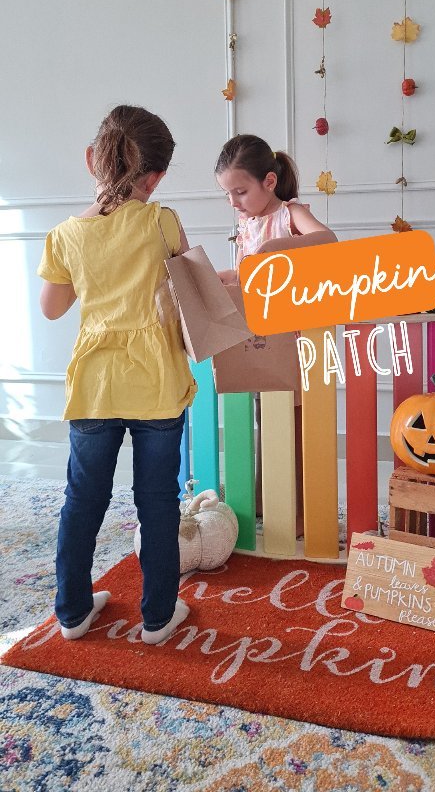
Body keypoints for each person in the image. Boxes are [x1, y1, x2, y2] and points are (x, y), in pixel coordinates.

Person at [38, 105, 196, 645]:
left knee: (82, 499)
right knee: (157, 501)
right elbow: (190, 290)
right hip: (156, 384)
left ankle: (72, 613)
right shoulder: (161, 222)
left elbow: (52, 309)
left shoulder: (66, 235)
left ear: (92, 160)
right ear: (157, 177)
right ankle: (158, 617)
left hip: (95, 385)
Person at [215, 133, 337, 535]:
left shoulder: (290, 213)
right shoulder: (246, 225)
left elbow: (328, 240)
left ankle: (300, 509)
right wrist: (220, 277)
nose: (233, 202)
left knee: (296, 424)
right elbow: (244, 274)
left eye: (240, 192)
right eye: (227, 194)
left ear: (269, 181)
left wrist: (278, 246)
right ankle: (265, 498)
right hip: (260, 337)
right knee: (265, 418)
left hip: (296, 338)